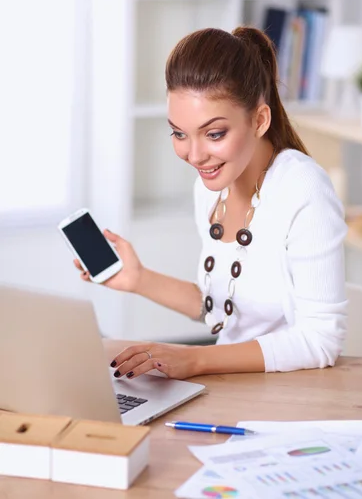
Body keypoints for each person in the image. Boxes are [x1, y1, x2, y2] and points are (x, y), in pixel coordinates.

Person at [75, 26, 347, 380]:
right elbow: (221, 310)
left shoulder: (303, 188)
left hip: (292, 393)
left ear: (259, 120)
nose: (195, 155)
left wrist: (196, 359)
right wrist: (138, 279)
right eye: (179, 134)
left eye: (214, 134)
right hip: (232, 386)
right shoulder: (209, 189)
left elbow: (321, 340)